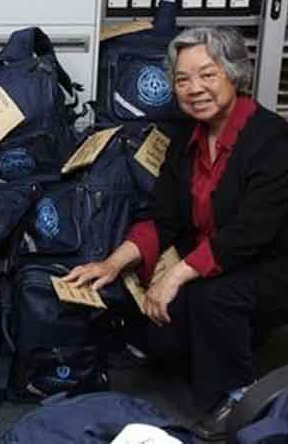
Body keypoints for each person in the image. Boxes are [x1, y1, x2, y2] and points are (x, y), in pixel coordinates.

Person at [64, 26, 288, 441]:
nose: (194, 88)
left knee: (209, 297)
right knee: (164, 332)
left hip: (269, 265)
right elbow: (161, 216)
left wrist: (177, 275)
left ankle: (237, 396)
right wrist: (112, 264)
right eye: (182, 79)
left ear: (234, 74)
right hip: (211, 258)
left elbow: (250, 234)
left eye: (207, 74)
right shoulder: (186, 137)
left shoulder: (273, 139)